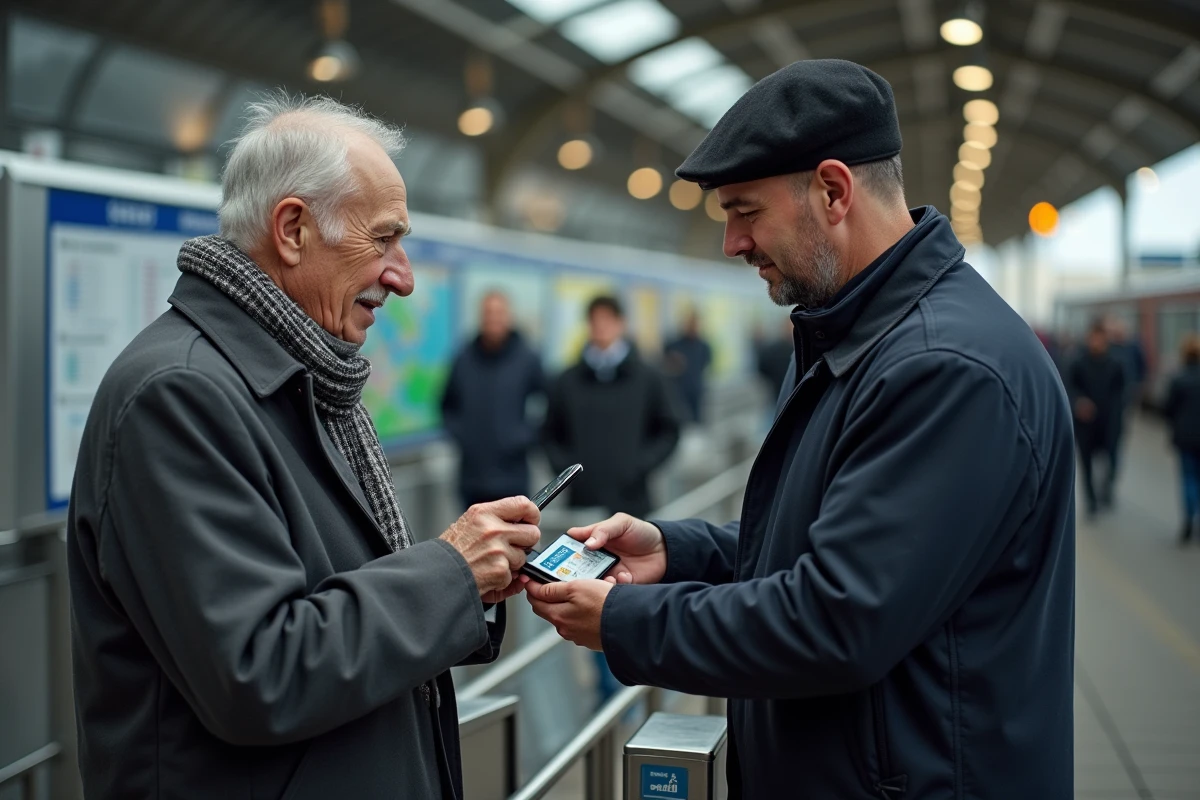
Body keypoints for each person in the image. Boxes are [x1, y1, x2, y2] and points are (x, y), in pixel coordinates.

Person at [524, 59, 1075, 799]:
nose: (732, 244)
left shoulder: (943, 370)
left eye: (744, 211)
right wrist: (677, 551)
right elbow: (827, 543)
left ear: (834, 190)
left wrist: (627, 620)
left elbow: (836, 620)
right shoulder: (858, 339)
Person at [66, 93, 542, 800]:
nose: (403, 276)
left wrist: (468, 580)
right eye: (383, 239)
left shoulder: (297, 380)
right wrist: (449, 573)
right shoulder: (180, 397)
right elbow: (260, 670)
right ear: (292, 230)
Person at [542, 295, 681, 705]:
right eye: (595, 321)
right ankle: (610, 695)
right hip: (585, 512)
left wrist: (638, 466)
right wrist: (569, 472)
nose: (601, 328)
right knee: (592, 601)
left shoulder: (647, 377)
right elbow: (549, 433)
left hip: (633, 509)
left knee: (633, 595)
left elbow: (669, 429)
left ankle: (638, 692)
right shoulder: (567, 380)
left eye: (608, 321)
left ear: (620, 325)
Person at [441, 291, 545, 508]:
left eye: (499, 313)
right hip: (472, 478)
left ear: (508, 317)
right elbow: (447, 405)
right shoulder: (464, 358)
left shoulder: (527, 358)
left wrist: (524, 436)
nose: (493, 319)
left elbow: (550, 404)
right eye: (488, 313)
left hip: (513, 477)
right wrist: (464, 437)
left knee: (514, 539)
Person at [1068, 321, 1127, 517]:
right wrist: (1079, 402)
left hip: (1110, 422)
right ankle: (1091, 501)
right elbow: (1069, 387)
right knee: (1086, 463)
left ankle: (1107, 489)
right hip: (1086, 424)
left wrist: (1119, 418)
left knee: (1111, 459)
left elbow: (1123, 393)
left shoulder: (1116, 363)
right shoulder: (1077, 362)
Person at [1163, 334, 1200, 543]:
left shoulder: (1178, 379)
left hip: (1185, 438)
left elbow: (1168, 409)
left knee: (1188, 480)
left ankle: (1188, 520)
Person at [662, 310, 713, 423]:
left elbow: (706, 364)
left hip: (696, 392)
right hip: (678, 393)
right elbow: (665, 365)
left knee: (696, 423)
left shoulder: (703, 346)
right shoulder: (674, 345)